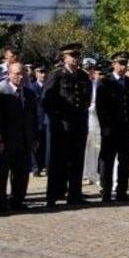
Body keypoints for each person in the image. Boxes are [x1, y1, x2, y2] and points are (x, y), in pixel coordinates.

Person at [43, 43, 93, 207]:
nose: (75, 59)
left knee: (77, 161)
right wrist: (57, 119)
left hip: (79, 125)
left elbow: (86, 99)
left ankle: (74, 194)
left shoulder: (83, 76)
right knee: (58, 162)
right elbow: (46, 100)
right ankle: (53, 195)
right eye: (72, 56)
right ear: (64, 57)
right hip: (62, 127)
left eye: (77, 56)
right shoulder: (56, 75)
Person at [95, 51, 129, 202]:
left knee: (125, 161)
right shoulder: (105, 82)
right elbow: (100, 108)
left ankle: (122, 190)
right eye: (120, 63)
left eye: (125, 64)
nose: (123, 67)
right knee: (107, 161)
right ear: (113, 64)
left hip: (126, 129)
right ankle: (106, 191)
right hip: (111, 129)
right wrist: (105, 127)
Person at [0, 62, 39, 212]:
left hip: (24, 140)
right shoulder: (2, 91)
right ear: (9, 74)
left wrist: (34, 137)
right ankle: (2, 202)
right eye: (16, 73)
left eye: (23, 73)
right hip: (7, 140)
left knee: (21, 173)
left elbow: (33, 117)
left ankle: (17, 200)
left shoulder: (29, 93)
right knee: (2, 173)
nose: (20, 76)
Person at [30, 65, 48, 176]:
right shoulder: (32, 87)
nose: (43, 74)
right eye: (40, 71)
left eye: (44, 71)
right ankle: (35, 167)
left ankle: (43, 165)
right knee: (34, 145)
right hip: (36, 119)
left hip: (47, 120)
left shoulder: (49, 86)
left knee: (45, 144)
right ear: (35, 73)